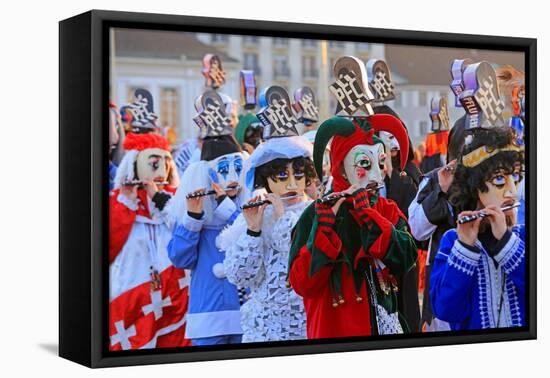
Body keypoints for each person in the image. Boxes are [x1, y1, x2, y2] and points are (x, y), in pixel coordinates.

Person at [288, 114, 418, 338]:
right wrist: (324, 231)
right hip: (333, 333)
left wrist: (370, 216)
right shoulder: (315, 213)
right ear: (341, 167)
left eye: (380, 162)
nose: (376, 175)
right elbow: (302, 284)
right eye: (364, 164)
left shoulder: (386, 209)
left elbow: (407, 258)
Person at [218, 105, 314, 341]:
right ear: (266, 179)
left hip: (307, 325)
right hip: (264, 329)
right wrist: (252, 230)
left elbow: (300, 255)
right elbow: (239, 276)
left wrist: (282, 216)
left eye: (298, 174)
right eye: (282, 176)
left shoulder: (316, 212)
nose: (292, 184)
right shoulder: (258, 212)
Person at [167, 90, 246, 346]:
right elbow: (180, 258)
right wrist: (192, 219)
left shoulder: (249, 212)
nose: (232, 177)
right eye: (223, 170)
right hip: (207, 315)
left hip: (244, 313)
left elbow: (250, 240)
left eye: (237, 168)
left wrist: (226, 207)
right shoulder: (198, 218)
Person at [430, 125, 525, 330]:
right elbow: (446, 310)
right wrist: (465, 248)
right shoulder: (452, 241)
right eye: (499, 179)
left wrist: (507, 243)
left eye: (515, 177)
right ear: (475, 186)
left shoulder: (527, 236)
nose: (511, 191)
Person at [109, 132, 190, 350]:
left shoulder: (174, 200)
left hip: (174, 292)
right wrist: (126, 204)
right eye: (155, 163)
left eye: (166, 162)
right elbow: (109, 246)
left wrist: (161, 201)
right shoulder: (120, 202)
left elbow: (185, 233)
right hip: (133, 289)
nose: (161, 170)